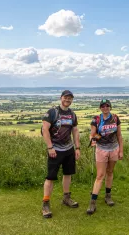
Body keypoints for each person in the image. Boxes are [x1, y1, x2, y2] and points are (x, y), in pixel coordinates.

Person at [40, 90, 81, 218]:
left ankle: (66, 198)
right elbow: (45, 129)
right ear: (61, 98)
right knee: (50, 177)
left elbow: (75, 131)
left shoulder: (72, 114)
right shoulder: (52, 112)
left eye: (70, 98)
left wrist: (77, 148)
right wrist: (50, 147)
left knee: (68, 174)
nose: (68, 100)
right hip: (55, 150)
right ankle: (45, 204)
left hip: (68, 149)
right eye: (66, 97)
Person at [86, 99, 124, 215]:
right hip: (101, 149)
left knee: (110, 172)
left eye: (107, 105)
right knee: (100, 175)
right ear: (100, 108)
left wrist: (121, 150)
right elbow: (92, 135)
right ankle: (92, 202)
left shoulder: (115, 118)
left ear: (110, 107)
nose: (105, 107)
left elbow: (119, 135)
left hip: (114, 149)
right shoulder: (96, 119)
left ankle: (108, 196)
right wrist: (95, 138)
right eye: (103, 106)